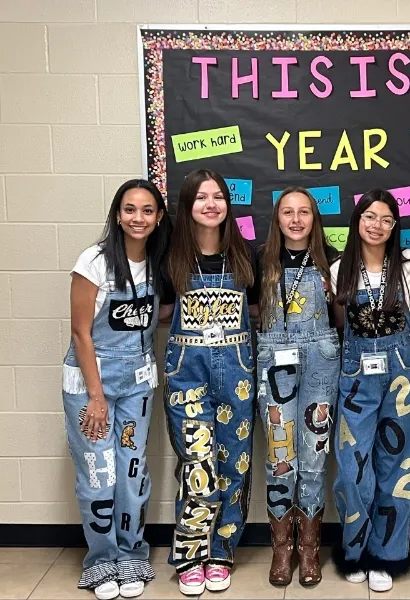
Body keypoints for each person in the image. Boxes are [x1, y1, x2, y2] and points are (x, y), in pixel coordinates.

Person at [62, 179, 172, 600]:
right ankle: (101, 561)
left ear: (159, 216)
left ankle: (131, 554)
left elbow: (155, 313)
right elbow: (81, 332)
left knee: (132, 474)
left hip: (138, 384)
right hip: (92, 384)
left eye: (147, 210)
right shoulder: (93, 261)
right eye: (130, 209)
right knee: (98, 475)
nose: (138, 218)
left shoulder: (158, 261)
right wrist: (95, 396)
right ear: (117, 213)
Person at [161, 169, 257, 595]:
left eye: (218, 196)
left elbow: (256, 311)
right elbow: (162, 312)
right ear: (188, 205)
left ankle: (221, 551)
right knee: (198, 466)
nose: (211, 204)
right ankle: (190, 553)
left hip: (236, 372)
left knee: (233, 465)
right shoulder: (170, 257)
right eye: (202, 197)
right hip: (188, 374)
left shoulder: (245, 254)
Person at [330, 189, 410, 593]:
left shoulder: (407, 267)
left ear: (394, 226)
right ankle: (354, 550)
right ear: (357, 221)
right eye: (370, 217)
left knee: (398, 465)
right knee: (352, 468)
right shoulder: (338, 269)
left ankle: (387, 554)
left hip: (404, 375)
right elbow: (339, 323)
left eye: (387, 219)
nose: (377, 225)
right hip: (356, 377)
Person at [255, 186, 341, 586]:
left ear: (314, 218)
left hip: (321, 363)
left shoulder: (332, 261)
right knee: (279, 457)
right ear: (277, 219)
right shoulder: (260, 260)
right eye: (287, 212)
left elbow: (344, 313)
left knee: (313, 455)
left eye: (303, 212)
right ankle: (281, 549)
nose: (295, 220)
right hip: (275, 361)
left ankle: (309, 549)